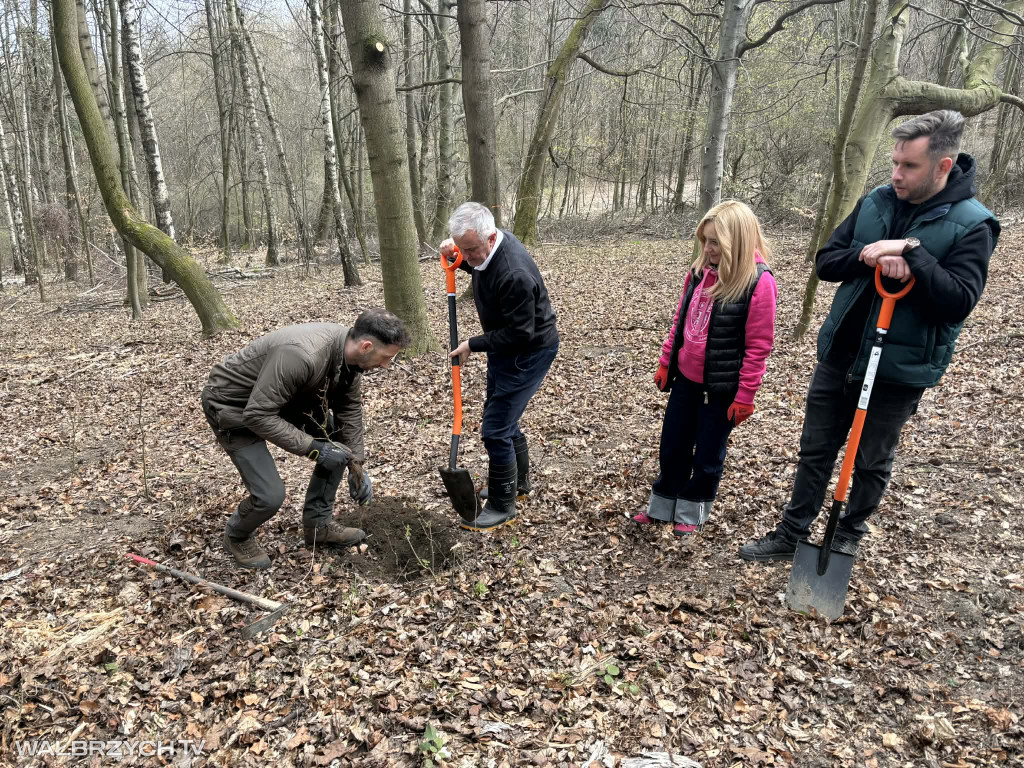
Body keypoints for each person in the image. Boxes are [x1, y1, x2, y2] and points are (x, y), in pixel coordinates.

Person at [739, 109, 1000, 562]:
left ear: (943, 166)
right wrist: (870, 255)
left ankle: (846, 535)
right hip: (841, 353)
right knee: (815, 450)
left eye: (909, 166)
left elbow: (959, 300)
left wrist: (912, 255)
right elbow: (826, 262)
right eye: (895, 162)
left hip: (900, 367)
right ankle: (791, 532)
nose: (896, 174)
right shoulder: (877, 201)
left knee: (872, 459)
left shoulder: (974, 223)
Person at [201, 309, 410, 569]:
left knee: (338, 448)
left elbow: (349, 408)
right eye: (386, 357)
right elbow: (258, 415)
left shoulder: (350, 359)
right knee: (270, 496)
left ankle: (318, 525)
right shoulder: (302, 355)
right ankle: (237, 536)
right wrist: (315, 449)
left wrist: (356, 463)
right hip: (234, 409)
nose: (386, 365)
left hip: (288, 401)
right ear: (367, 346)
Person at [633, 200, 777, 536]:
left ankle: (692, 511)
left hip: (722, 387)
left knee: (708, 452)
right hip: (686, 379)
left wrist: (746, 395)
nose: (708, 248)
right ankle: (663, 503)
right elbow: (680, 321)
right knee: (673, 445)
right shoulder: (698, 272)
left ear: (735, 241)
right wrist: (666, 361)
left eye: (715, 242)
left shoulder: (758, 282)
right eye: (705, 240)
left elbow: (758, 346)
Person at [440, 202, 560, 532]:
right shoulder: (491, 248)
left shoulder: (514, 273)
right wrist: (458, 258)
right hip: (508, 349)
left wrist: (472, 344)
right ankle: (518, 483)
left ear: (491, 238)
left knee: (495, 429)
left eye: (472, 250)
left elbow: (521, 333)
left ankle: (503, 504)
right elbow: (481, 268)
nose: (469, 256)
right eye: (464, 249)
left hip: (527, 352)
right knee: (504, 419)